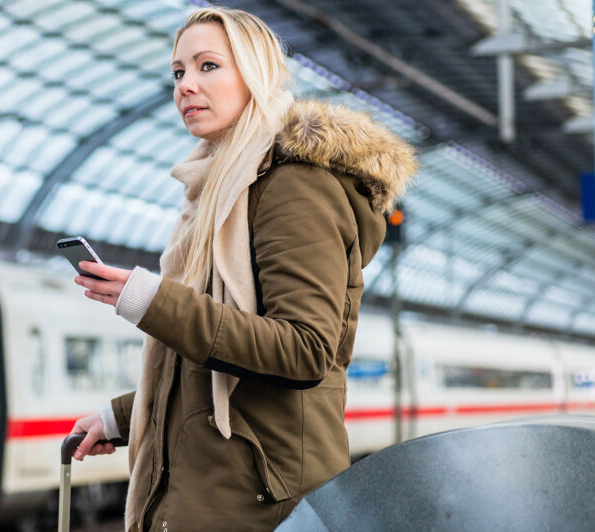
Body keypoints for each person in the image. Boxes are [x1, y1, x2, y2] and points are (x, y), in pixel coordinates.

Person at [66, 6, 418, 531]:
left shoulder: (295, 185)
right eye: (178, 72)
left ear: (255, 73)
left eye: (208, 66)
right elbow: (214, 366)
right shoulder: (216, 194)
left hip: (266, 507)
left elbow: (304, 349)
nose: (186, 85)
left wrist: (153, 302)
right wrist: (122, 417)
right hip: (218, 496)